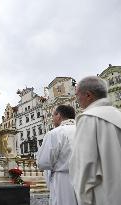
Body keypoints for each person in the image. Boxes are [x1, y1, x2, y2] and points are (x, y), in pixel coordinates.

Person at [69, 76, 121, 205]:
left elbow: (84, 165)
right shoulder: (118, 116)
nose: (77, 100)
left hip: (102, 195)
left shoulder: (88, 119)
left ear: (88, 95)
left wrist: (83, 200)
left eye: (77, 95)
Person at [37, 105, 77, 205]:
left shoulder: (55, 133)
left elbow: (43, 162)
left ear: (58, 116)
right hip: (85, 178)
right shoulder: (85, 131)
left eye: (53, 116)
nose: (52, 119)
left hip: (63, 182)